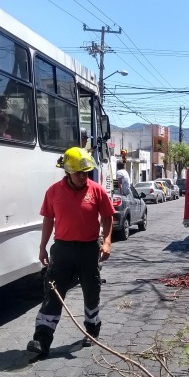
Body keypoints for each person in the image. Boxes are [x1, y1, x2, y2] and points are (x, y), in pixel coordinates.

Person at [27, 146, 115, 355]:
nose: (83, 177)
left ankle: (92, 331)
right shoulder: (53, 192)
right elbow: (48, 219)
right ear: (67, 171)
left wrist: (107, 242)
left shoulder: (96, 190)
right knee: (53, 293)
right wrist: (42, 247)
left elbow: (108, 217)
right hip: (62, 250)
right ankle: (42, 340)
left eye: (86, 173)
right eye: (78, 173)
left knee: (91, 292)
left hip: (88, 250)